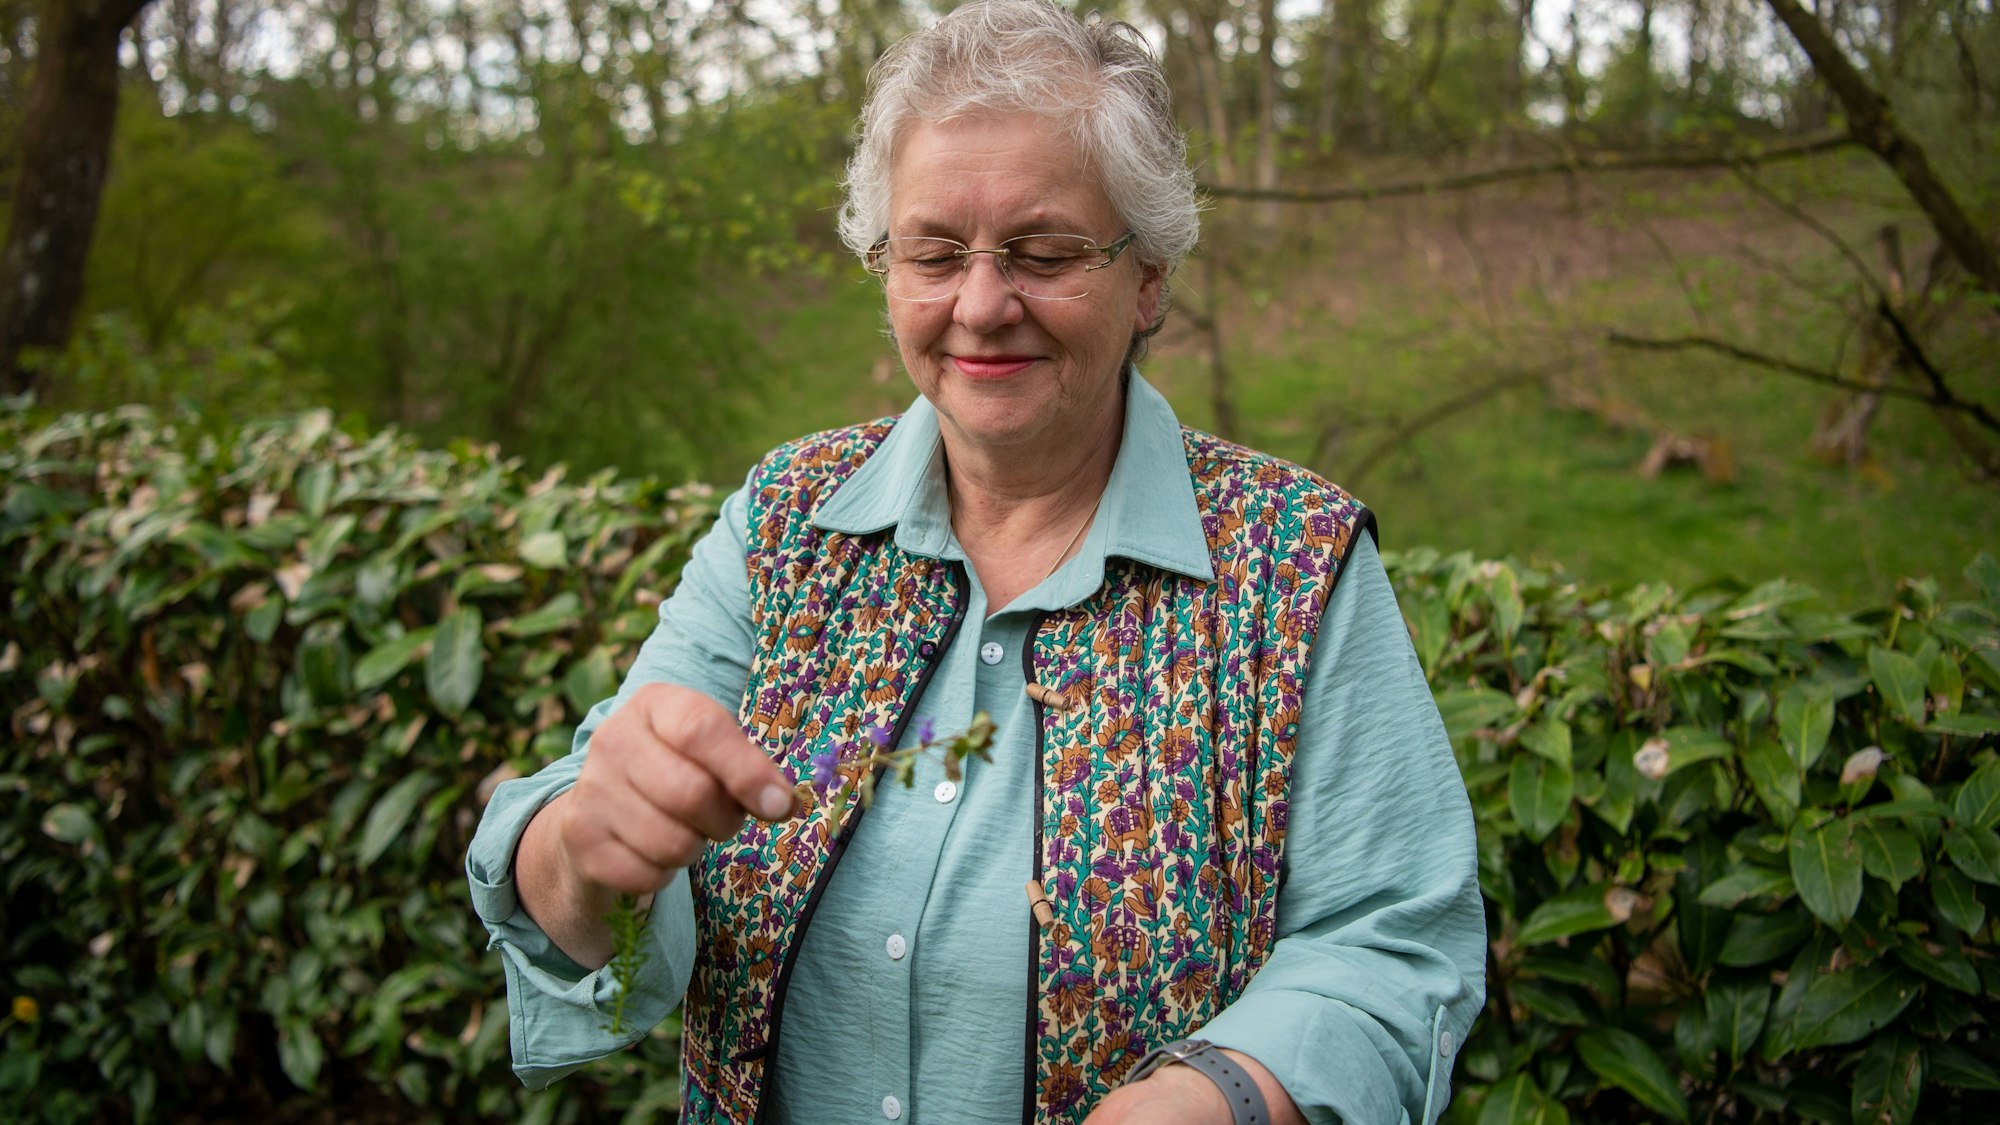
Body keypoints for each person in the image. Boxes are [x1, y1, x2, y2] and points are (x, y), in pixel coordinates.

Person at [466, 2, 1485, 1122]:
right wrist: (578, 855)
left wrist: (1229, 1096)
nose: (982, 305)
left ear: (1147, 279)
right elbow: (600, 835)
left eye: (1043, 254)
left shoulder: (1292, 565)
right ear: (884, 264)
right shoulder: (786, 521)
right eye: (934, 252)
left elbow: (1388, 940)